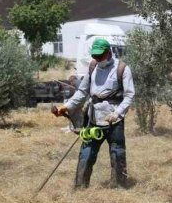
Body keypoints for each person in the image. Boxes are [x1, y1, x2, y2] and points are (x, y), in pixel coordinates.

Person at [53, 38, 135, 189]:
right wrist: (67, 106)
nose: (97, 59)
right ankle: (80, 187)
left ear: (108, 53)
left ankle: (119, 188)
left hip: (114, 120)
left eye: (100, 56)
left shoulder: (122, 69)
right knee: (87, 151)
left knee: (117, 153)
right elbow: (82, 92)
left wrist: (117, 113)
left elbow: (129, 95)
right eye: (94, 56)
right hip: (93, 118)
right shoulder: (92, 67)